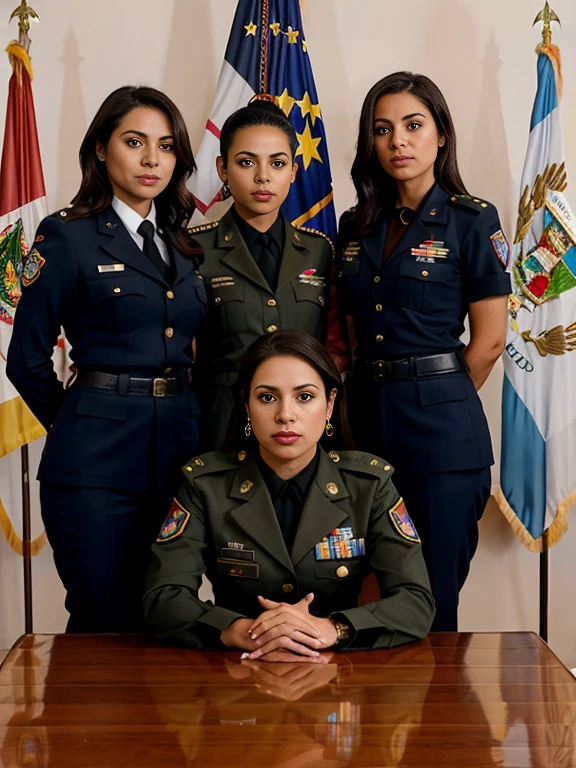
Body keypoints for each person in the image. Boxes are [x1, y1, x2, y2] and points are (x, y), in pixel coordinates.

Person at [7, 86, 206, 633]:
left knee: (166, 613)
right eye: (134, 142)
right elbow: (25, 360)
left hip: (177, 454)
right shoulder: (66, 237)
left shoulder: (182, 243)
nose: (151, 160)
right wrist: (80, 424)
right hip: (95, 464)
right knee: (102, 617)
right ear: (100, 149)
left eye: (165, 147)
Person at [337, 71, 511, 632]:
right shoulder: (355, 225)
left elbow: (487, 343)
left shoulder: (471, 219)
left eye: (414, 126)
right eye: (383, 129)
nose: (398, 142)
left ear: (441, 135)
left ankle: (442, 722)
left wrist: (435, 399)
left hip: (441, 433)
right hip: (360, 424)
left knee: (431, 605)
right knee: (358, 595)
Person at [144, 330, 434, 657]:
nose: (285, 415)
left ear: (330, 404)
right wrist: (238, 629)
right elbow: (164, 598)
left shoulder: (369, 485)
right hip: (237, 674)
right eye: (267, 397)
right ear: (246, 405)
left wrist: (333, 628)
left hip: (338, 676)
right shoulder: (205, 484)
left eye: (305, 396)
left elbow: (415, 601)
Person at [189, 97, 346, 451]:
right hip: (219, 430)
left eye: (277, 163)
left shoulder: (320, 250)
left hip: (301, 432)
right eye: (247, 162)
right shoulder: (193, 251)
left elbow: (336, 350)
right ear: (223, 169)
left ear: (293, 171)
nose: (263, 177)